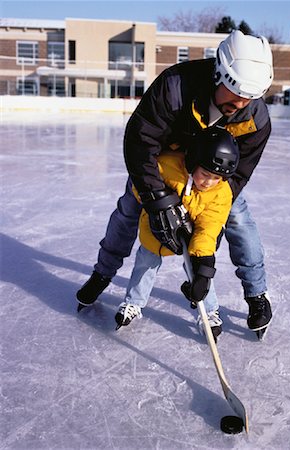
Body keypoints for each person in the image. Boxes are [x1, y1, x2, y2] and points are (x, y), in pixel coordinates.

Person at [76, 30, 273, 337]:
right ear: (219, 75)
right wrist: (157, 198)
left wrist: (212, 211)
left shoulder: (256, 120)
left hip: (210, 181)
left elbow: (237, 175)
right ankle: (102, 274)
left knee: (238, 218)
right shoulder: (175, 87)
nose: (242, 103)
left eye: (250, 97)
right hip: (162, 169)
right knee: (129, 209)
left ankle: (257, 294)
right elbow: (141, 142)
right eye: (236, 94)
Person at [114, 127, 240, 341]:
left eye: (216, 178)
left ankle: (209, 312)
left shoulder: (221, 194)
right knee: (145, 263)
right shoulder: (167, 166)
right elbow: (141, 182)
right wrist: (161, 200)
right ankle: (133, 302)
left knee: (198, 271)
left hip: (191, 237)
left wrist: (204, 271)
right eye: (205, 174)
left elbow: (209, 228)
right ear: (194, 162)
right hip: (154, 230)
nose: (208, 182)